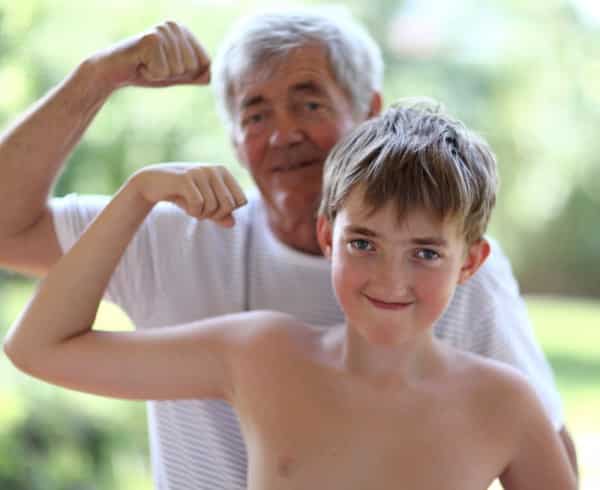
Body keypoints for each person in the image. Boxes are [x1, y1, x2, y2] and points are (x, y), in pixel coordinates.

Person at [0, 9, 577, 489]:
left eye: (309, 104)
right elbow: (33, 337)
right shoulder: (253, 342)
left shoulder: (499, 381)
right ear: (332, 237)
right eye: (256, 112)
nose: (283, 134)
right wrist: (135, 177)